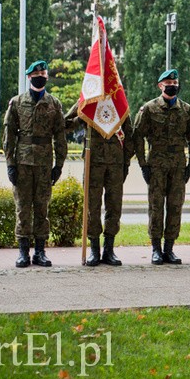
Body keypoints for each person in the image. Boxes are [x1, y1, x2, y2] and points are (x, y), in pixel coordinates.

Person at [134, 69, 190, 265]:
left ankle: (169, 248)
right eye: (168, 83)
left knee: (175, 207)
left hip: (178, 166)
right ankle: (156, 248)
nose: (172, 85)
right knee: (156, 207)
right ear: (160, 86)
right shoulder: (149, 108)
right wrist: (143, 165)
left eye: (175, 82)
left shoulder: (186, 110)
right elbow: (138, 137)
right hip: (156, 165)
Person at [3, 61, 67, 268]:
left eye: (43, 72)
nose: (40, 75)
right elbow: (9, 136)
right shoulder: (17, 102)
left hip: (44, 163)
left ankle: (40, 251)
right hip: (22, 162)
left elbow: (60, 136)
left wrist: (59, 165)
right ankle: (23, 252)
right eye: (36, 73)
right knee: (22, 207)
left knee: (42, 207)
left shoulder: (54, 104)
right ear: (29, 77)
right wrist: (10, 164)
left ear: (47, 76)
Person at [65, 104, 134, 266]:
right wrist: (81, 117)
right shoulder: (89, 98)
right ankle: (94, 249)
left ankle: (109, 249)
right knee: (92, 206)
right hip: (93, 161)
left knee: (114, 206)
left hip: (116, 163)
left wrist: (126, 162)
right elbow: (65, 125)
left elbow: (129, 136)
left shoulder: (118, 100)